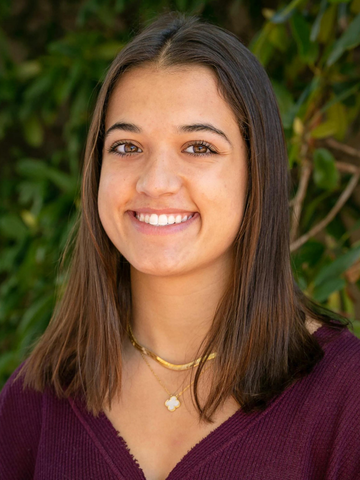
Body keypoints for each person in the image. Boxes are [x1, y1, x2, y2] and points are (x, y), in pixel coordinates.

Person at [1, 11, 359, 480]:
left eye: (199, 147)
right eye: (128, 147)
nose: (156, 182)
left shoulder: (345, 398)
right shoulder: (37, 399)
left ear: (258, 175)